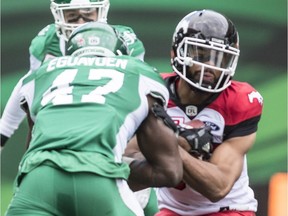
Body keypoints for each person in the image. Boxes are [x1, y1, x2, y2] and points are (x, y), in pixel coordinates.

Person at [5, 22, 184, 216]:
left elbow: (30, 150)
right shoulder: (140, 73)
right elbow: (169, 171)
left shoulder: (43, 72)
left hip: (38, 179)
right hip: (98, 176)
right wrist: (122, 168)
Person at [125, 9, 264, 216]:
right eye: (201, 55)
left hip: (228, 210)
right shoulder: (153, 91)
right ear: (176, 53)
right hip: (172, 210)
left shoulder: (240, 101)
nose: (210, 66)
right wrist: (178, 142)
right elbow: (127, 156)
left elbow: (218, 187)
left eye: (220, 59)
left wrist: (169, 142)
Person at [1, 0, 145, 149]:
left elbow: (137, 96)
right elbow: (28, 88)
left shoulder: (123, 39)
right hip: (60, 122)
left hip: (110, 121)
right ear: (59, 14)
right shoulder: (48, 41)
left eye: (88, 14)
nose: (81, 22)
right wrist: (3, 132)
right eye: (72, 15)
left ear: (101, 11)